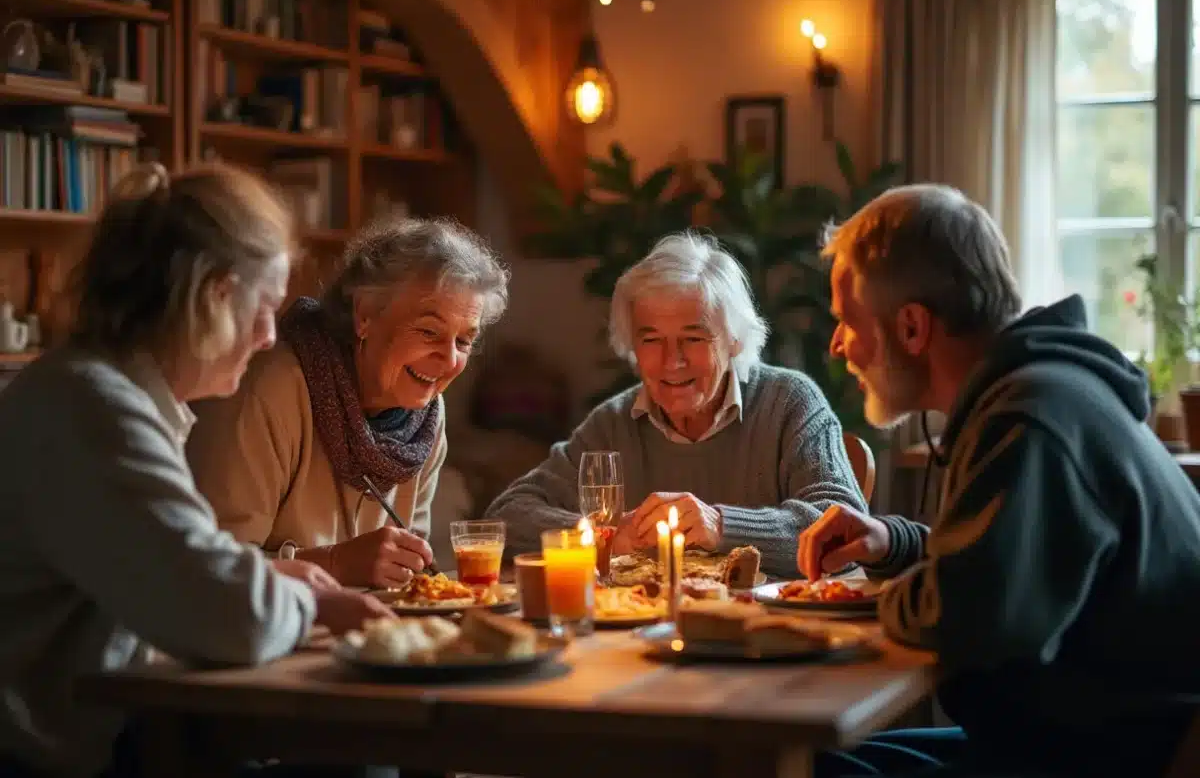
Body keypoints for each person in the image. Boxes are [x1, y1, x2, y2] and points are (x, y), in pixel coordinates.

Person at [0, 162, 391, 778]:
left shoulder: (103, 394)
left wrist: (265, 572)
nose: (269, 338)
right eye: (265, 308)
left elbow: (165, 567)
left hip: (102, 734)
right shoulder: (94, 409)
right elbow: (227, 617)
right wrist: (309, 602)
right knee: (361, 763)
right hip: (49, 758)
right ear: (216, 296)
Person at [801, 184, 1200, 778]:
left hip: (1110, 756)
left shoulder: (1029, 418)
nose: (838, 347)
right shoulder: (1047, 391)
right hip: (1081, 738)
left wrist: (889, 596)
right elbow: (1010, 565)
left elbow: (972, 617)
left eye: (846, 321)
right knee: (817, 761)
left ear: (912, 327)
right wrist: (898, 543)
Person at [486, 232, 864, 577]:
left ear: (734, 339)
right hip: (637, 637)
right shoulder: (613, 424)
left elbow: (845, 527)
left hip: (768, 635)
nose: (672, 361)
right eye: (651, 340)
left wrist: (721, 526)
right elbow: (507, 517)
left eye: (693, 338)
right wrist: (608, 536)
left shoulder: (789, 402)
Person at [187, 215, 510, 588]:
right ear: (365, 316)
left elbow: (408, 578)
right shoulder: (271, 390)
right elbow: (206, 571)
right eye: (428, 331)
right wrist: (334, 564)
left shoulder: (425, 420)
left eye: (464, 341)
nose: (450, 360)